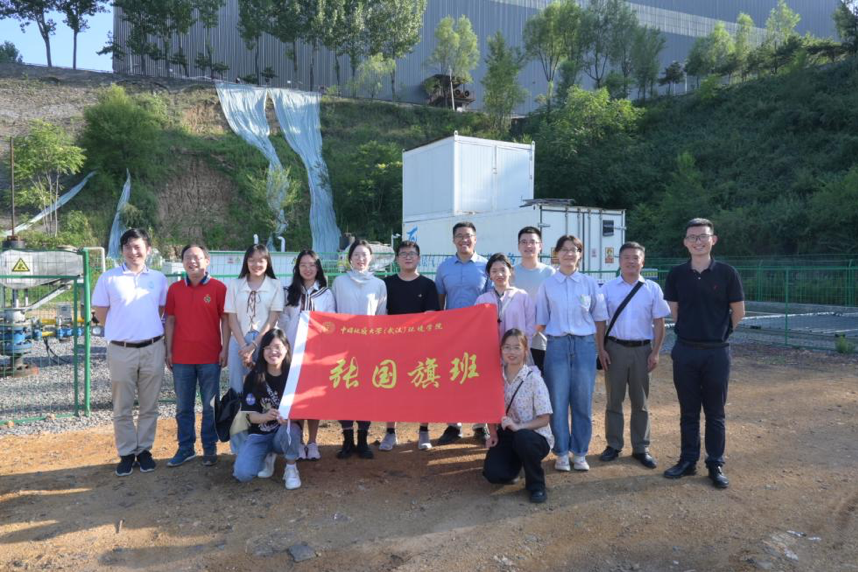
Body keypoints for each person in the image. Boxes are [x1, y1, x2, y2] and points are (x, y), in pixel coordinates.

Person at [663, 218, 744, 489]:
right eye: (692, 237)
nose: (698, 241)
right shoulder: (677, 274)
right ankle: (688, 460)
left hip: (716, 353)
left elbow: (738, 312)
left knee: (715, 412)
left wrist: (719, 334)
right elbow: (674, 311)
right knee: (688, 411)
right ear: (685, 243)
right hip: (685, 350)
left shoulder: (727, 273)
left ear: (713, 240)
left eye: (703, 236)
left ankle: (715, 463)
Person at [92, 228, 168, 477]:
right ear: (122, 250)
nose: (133, 252)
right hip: (121, 350)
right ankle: (126, 453)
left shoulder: (158, 278)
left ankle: (144, 451)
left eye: (138, 247)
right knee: (122, 405)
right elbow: (101, 313)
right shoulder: (109, 278)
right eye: (128, 247)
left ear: (148, 249)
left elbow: (160, 310)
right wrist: (122, 330)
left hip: (153, 348)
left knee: (149, 405)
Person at [536, 234, 608, 473]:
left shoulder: (589, 283)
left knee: (582, 401)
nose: (569, 253)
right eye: (564, 249)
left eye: (574, 249)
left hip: (584, 346)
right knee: (557, 401)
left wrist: (600, 347)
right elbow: (541, 320)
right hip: (556, 346)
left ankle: (580, 452)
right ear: (557, 254)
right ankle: (561, 453)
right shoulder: (548, 285)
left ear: (580, 254)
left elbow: (599, 317)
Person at [596, 242, 670, 469]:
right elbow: (600, 322)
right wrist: (601, 349)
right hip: (615, 349)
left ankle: (641, 447)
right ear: (619, 261)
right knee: (614, 400)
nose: (631, 261)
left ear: (642, 262)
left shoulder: (652, 289)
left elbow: (659, 323)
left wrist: (656, 352)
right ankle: (613, 445)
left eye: (635, 257)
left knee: (641, 401)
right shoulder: (607, 289)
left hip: (642, 350)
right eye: (626, 257)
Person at [164, 244, 229, 468]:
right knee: (183, 407)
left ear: (207, 261)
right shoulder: (174, 289)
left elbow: (226, 320)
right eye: (188, 258)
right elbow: (170, 320)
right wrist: (168, 350)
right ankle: (186, 448)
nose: (192, 261)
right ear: (182, 262)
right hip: (181, 359)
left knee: (210, 406)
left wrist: (225, 348)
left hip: (210, 357)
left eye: (197, 257)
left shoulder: (219, 288)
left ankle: (209, 447)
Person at [224, 244, 284, 455]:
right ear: (246, 261)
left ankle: (265, 444)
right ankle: (239, 448)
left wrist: (254, 345)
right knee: (238, 393)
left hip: (265, 343)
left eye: (261, 260)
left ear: (268, 262)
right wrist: (243, 346)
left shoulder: (275, 285)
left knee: (264, 391)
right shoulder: (235, 284)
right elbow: (231, 317)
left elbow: (273, 318)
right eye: (252, 260)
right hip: (238, 343)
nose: (256, 264)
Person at [380, 240, 440, 451]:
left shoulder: (428, 285)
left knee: (423, 387)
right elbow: (382, 314)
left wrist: (410, 331)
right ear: (396, 259)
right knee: (392, 389)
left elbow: (430, 316)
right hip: (392, 346)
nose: (407, 257)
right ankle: (390, 432)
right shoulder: (386, 284)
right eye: (403, 253)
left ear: (418, 258)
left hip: (421, 346)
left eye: (412, 253)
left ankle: (424, 431)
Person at [331, 239, 387, 459]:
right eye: (356, 255)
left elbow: (381, 316)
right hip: (343, 346)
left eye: (364, 255)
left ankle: (363, 440)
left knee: (366, 393)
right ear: (350, 258)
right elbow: (333, 313)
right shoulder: (339, 282)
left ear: (371, 258)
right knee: (344, 391)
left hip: (368, 347)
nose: (360, 259)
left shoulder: (379, 284)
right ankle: (347, 439)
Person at [278, 249, 336, 461]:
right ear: (297, 268)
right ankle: (299, 441)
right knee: (296, 399)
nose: (308, 268)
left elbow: (331, 323)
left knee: (313, 398)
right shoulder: (288, 292)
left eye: (312, 264)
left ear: (318, 267)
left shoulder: (326, 294)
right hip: (292, 352)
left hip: (315, 354)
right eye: (303, 264)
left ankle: (312, 441)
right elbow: (282, 320)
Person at [483, 329, 553, 504]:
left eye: (516, 347)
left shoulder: (534, 379)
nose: (511, 352)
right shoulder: (495, 376)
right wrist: (493, 433)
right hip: (508, 434)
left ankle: (536, 485)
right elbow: (490, 408)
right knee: (494, 474)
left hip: (534, 436)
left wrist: (519, 427)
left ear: (525, 350)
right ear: (501, 350)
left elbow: (545, 419)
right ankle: (518, 463)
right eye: (507, 347)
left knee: (523, 438)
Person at [434, 221, 489, 445]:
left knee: (478, 377)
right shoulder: (444, 268)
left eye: (468, 236)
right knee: (453, 377)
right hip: (452, 333)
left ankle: (480, 425)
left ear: (475, 239)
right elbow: (440, 300)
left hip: (479, 332)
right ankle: (453, 425)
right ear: (453, 240)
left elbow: (491, 301)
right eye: (459, 236)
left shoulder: (486, 266)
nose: (464, 240)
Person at [232, 329, 302, 489]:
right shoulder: (253, 377)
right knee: (242, 474)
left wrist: (290, 418)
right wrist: (267, 416)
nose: (273, 352)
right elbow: (250, 416)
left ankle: (291, 468)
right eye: (268, 348)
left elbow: (303, 411)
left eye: (277, 347)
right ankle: (268, 456)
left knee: (290, 429)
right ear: (262, 351)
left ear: (286, 348)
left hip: (282, 434)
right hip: (259, 435)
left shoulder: (294, 375)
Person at [513, 226, 556, 372]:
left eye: (533, 242)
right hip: (515, 340)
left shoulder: (549, 273)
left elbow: (552, 307)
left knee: (540, 381)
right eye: (524, 242)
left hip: (541, 341)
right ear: (518, 246)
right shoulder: (511, 273)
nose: (528, 245)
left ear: (540, 246)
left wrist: (534, 330)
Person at [475, 253, 536, 350]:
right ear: (489, 275)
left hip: (517, 352)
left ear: (510, 271)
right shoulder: (482, 300)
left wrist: (524, 348)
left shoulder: (522, 296)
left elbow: (531, 325)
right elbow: (476, 327)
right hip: (490, 352)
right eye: (494, 271)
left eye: (503, 270)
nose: (499, 274)